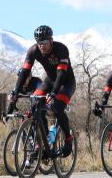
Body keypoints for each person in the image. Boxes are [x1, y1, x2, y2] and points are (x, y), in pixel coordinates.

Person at [8, 25, 76, 156]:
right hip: (50, 81)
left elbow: (61, 73)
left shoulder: (61, 49)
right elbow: (24, 72)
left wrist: (54, 93)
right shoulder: (33, 51)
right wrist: (15, 92)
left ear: (51, 40)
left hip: (66, 83)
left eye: (44, 42)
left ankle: (68, 139)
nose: (42, 46)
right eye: (39, 43)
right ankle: (43, 144)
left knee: (57, 107)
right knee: (35, 105)